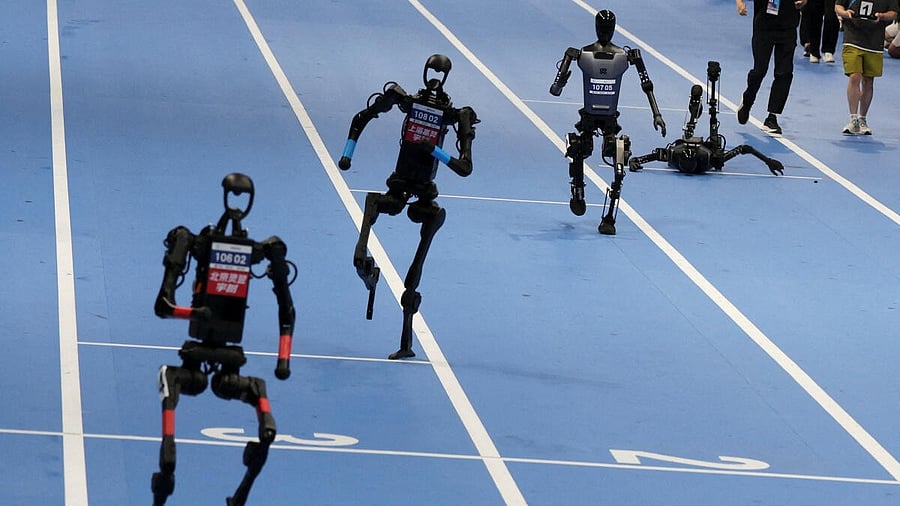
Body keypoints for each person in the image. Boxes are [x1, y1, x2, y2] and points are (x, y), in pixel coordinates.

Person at [735, 0, 808, 135]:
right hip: (764, 27)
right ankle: (747, 99)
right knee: (759, 70)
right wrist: (739, 3)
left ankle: (772, 117)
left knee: (784, 72)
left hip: (788, 27)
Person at [835, 0, 898, 135]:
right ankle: (853, 118)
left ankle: (862, 119)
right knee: (855, 75)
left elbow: (894, 13)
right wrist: (845, 13)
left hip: (874, 41)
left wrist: (883, 16)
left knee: (868, 80)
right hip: (852, 37)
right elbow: (838, 6)